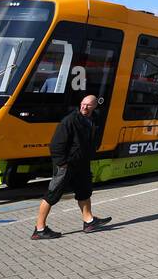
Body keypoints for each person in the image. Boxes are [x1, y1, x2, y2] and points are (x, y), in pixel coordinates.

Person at [32, 95, 111, 239]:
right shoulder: (69, 121)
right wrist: (62, 163)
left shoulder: (94, 119)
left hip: (82, 163)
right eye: (83, 104)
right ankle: (39, 229)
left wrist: (93, 150)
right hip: (67, 165)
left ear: (94, 107)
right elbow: (56, 145)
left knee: (84, 191)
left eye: (88, 105)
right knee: (52, 195)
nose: (84, 107)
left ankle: (89, 221)